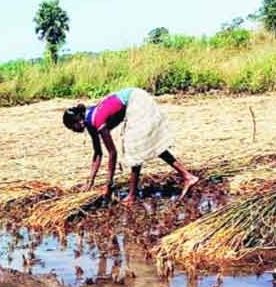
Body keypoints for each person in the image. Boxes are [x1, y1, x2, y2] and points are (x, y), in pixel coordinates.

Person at [62, 87, 200, 204]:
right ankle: (188, 176)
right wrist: (90, 182)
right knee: (145, 145)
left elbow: (112, 153)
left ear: (78, 121)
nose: (74, 131)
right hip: (133, 100)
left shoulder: (96, 120)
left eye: (72, 127)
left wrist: (109, 184)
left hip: (137, 100)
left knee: (134, 148)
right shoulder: (89, 122)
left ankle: (132, 195)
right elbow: (98, 154)